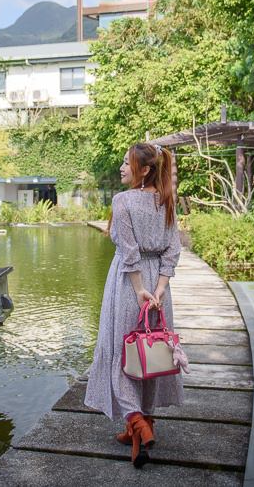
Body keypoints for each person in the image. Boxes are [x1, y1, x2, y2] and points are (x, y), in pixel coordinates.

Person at [84, 142, 183, 468]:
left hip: (130, 283)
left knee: (123, 351)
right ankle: (139, 435)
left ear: (143, 171)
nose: (122, 168)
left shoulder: (123, 201)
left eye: (127, 164)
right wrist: (160, 289)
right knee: (151, 355)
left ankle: (136, 420)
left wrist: (141, 290)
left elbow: (128, 252)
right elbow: (173, 250)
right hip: (159, 288)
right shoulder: (166, 200)